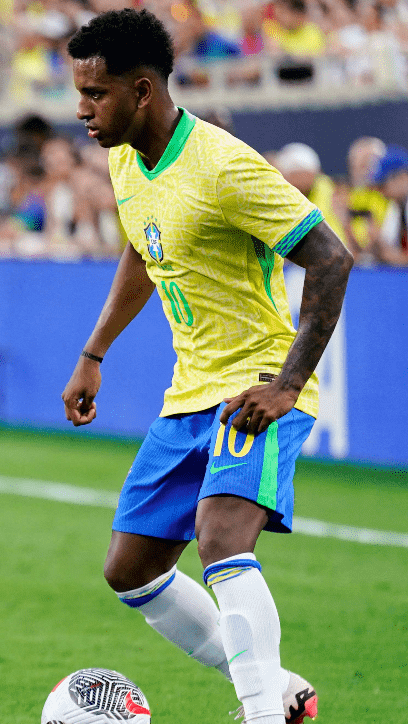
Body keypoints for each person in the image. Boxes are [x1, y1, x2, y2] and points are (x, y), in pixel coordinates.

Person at [60, 10, 351, 724]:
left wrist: (285, 384)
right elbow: (142, 246)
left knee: (221, 540)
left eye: (96, 94)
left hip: (253, 387)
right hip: (188, 393)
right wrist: (94, 354)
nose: (82, 108)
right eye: (80, 92)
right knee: (129, 571)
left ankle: (258, 714)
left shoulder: (223, 165)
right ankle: (279, 691)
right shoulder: (126, 156)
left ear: (143, 89)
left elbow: (331, 257)